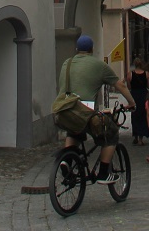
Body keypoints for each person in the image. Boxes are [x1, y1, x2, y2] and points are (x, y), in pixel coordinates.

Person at [56, 35, 135, 184]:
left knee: (74, 131)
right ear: (92, 49)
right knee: (111, 134)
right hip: (84, 112)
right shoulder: (99, 66)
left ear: (77, 49)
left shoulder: (67, 63)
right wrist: (132, 103)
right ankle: (104, 173)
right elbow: (121, 85)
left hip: (63, 111)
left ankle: (66, 160)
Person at [126, 57, 149, 145]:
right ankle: (140, 139)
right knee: (143, 116)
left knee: (135, 115)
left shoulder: (130, 74)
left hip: (134, 95)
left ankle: (135, 135)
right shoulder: (146, 74)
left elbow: (128, 87)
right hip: (143, 95)